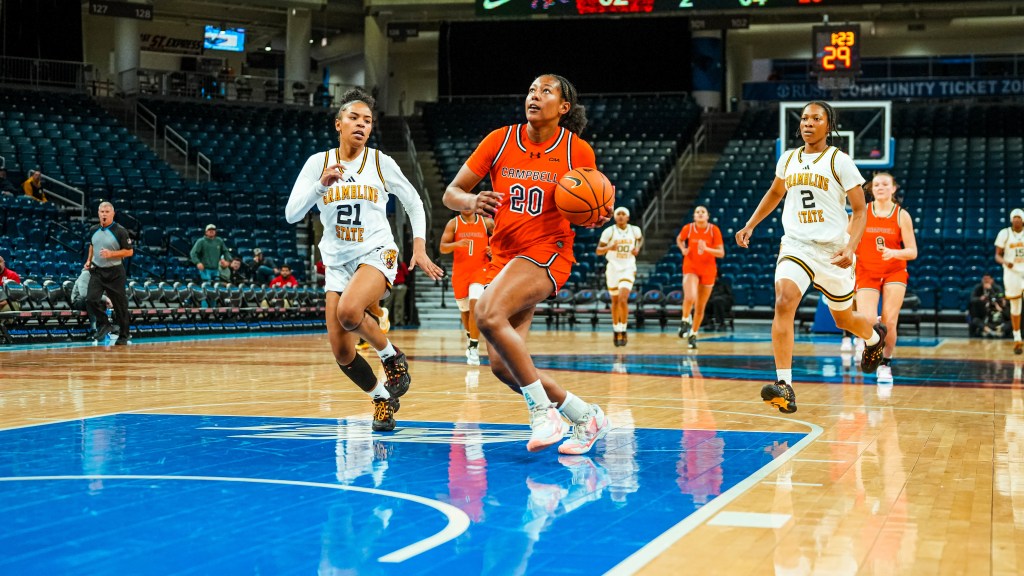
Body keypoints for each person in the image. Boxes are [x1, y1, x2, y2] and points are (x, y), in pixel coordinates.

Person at [442, 73, 611, 455]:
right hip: (504, 257)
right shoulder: (499, 139)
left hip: (547, 253)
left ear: (563, 107)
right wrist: (470, 202)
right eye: (532, 90)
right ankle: (586, 415)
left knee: (485, 312)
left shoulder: (576, 150)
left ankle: (542, 412)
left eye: (545, 91)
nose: (535, 96)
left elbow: (590, 201)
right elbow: (451, 193)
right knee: (503, 367)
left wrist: (595, 213)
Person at [285, 87, 443, 433]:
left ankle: (392, 357)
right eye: (354, 118)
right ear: (338, 124)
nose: (361, 124)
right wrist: (319, 187)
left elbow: (414, 201)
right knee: (342, 352)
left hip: (377, 251)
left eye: (368, 121)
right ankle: (382, 398)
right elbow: (291, 214)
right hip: (338, 262)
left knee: (349, 312)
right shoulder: (318, 163)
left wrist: (418, 248)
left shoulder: (379, 162)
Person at [735, 100, 888, 414]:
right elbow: (776, 193)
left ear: (828, 126)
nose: (807, 123)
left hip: (833, 251)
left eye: (815, 118)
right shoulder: (788, 159)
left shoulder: (839, 160)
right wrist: (751, 224)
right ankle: (784, 385)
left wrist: (851, 247)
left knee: (843, 319)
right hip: (796, 245)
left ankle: (873, 339)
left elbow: (860, 211)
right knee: (783, 299)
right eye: (804, 118)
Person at [852, 172, 918, 384]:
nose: (880, 187)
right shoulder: (861, 212)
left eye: (885, 184)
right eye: (877, 184)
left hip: (894, 271)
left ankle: (885, 364)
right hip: (866, 271)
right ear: (871, 188)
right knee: (868, 321)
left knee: (890, 321)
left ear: (893, 188)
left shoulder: (901, 215)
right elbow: (846, 239)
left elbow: (912, 251)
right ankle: (871, 346)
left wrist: (895, 253)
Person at [439, 209, 494, 364]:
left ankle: (473, 347)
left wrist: (493, 249)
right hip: (461, 272)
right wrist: (456, 244)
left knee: (474, 304)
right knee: (465, 310)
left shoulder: (486, 222)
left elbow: (502, 238)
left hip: (480, 270)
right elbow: (443, 248)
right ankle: (471, 337)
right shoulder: (454, 223)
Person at [85, 201, 133, 345]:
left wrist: (111, 254)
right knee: (91, 299)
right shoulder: (93, 229)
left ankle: (124, 336)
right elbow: (92, 246)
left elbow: (129, 251)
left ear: (113, 213)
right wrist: (88, 260)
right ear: (98, 213)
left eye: (107, 212)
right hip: (97, 271)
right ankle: (105, 324)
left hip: (115, 272)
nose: (104, 214)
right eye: (102, 212)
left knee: (120, 306)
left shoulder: (120, 230)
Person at [676, 205, 724, 350]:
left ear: (707, 216)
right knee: (690, 297)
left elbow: (721, 253)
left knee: (700, 307)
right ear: (694, 216)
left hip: (708, 270)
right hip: (691, 267)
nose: (700, 214)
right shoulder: (688, 228)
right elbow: (679, 239)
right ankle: (685, 321)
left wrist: (707, 249)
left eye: (703, 212)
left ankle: (693, 334)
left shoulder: (714, 230)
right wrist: (683, 248)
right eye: (697, 212)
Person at [596, 206, 643, 347]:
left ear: (628, 217)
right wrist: (609, 248)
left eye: (623, 214)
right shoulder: (608, 232)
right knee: (615, 301)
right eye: (618, 214)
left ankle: (624, 329)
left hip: (628, 267)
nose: (621, 216)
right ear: (615, 217)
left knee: (623, 298)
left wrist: (638, 248)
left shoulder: (635, 230)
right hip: (613, 269)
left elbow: (640, 239)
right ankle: (616, 330)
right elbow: (598, 251)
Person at [995, 208, 1024, 355]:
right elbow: (997, 256)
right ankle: (1017, 337)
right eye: (1015, 217)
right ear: (1011, 219)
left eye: (1019, 217)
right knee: (1015, 306)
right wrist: (1006, 262)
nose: (1017, 220)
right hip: (1012, 273)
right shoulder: (1004, 233)